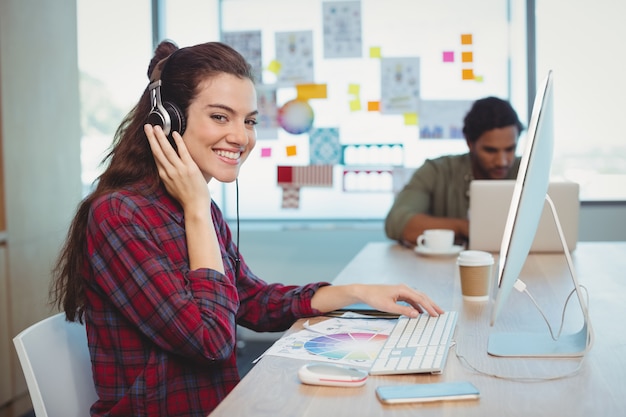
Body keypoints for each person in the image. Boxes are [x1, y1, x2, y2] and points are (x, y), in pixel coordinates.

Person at [50, 40, 443, 417]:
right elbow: (211, 342)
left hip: (224, 406)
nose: (241, 137)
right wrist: (198, 211)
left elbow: (250, 300)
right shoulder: (120, 216)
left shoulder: (195, 209)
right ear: (168, 119)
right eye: (220, 116)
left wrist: (356, 293)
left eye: (249, 121)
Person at [385, 97, 524, 247]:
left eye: (510, 149)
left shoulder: (527, 171)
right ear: (469, 143)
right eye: (490, 150)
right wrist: (464, 227)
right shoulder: (437, 171)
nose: (502, 161)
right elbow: (396, 222)